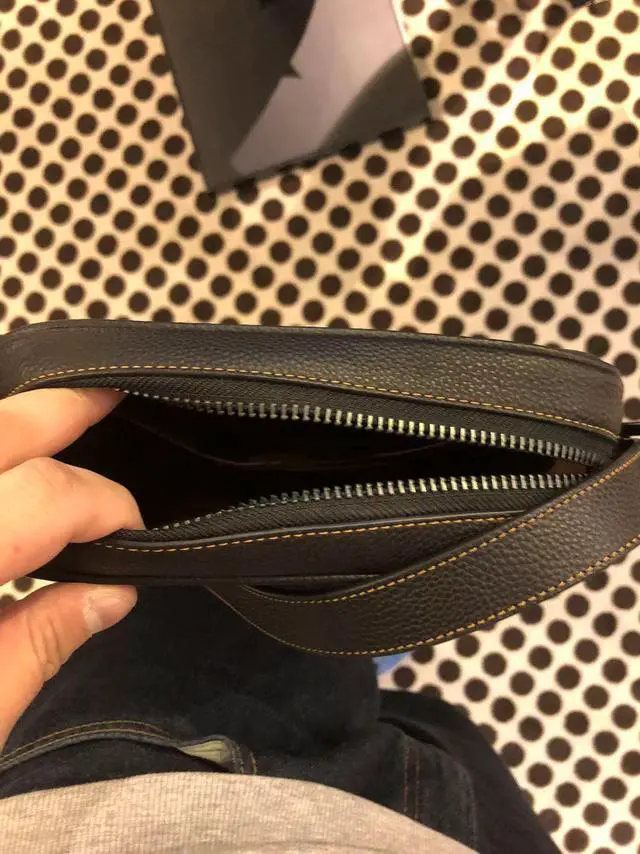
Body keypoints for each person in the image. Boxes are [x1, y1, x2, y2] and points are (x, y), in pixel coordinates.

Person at [0, 389, 560, 853]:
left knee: (231, 608)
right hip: (429, 833)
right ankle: (352, 642)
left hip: (116, 791)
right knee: (433, 723)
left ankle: (350, 646)